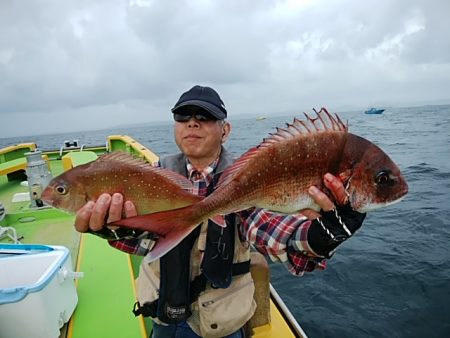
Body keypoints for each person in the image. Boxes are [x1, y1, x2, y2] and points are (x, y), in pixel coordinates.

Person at [74, 85, 366, 338]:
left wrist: (321, 237)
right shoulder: (155, 176)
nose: (192, 123)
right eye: (182, 116)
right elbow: (148, 243)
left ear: (225, 130)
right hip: (161, 314)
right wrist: (113, 227)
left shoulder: (246, 179)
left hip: (220, 326)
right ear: (175, 127)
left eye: (205, 117)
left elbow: (272, 231)